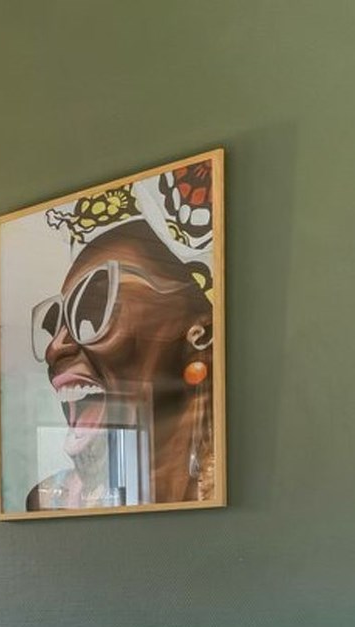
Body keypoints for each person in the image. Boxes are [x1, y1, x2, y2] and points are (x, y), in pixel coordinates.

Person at [25, 164, 216, 510]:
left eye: (92, 309)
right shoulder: (47, 501)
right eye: (54, 322)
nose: (55, 346)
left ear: (199, 336)